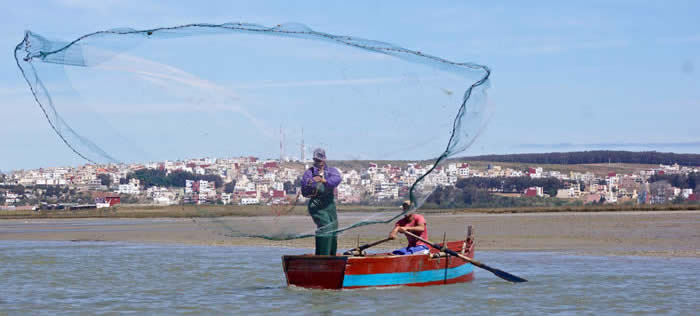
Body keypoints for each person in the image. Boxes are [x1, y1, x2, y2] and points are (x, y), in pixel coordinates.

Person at [301, 148, 342, 255]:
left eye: (319, 160)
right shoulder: (309, 173)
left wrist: (323, 180)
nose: (317, 163)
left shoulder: (332, 171)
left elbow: (336, 180)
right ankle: (322, 255)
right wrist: (311, 183)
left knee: (333, 227)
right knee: (325, 226)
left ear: (324, 160)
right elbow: (304, 191)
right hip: (316, 205)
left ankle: (331, 255)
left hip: (329, 204)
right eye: (315, 160)